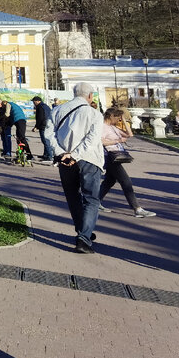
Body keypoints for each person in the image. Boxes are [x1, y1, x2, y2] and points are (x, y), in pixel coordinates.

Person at [54, 82, 105, 254]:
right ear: (90, 96)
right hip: (89, 160)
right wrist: (75, 155)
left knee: (73, 196)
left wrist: (62, 153)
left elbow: (48, 135)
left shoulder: (57, 110)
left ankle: (83, 231)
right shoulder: (94, 114)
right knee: (91, 199)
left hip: (64, 160)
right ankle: (83, 238)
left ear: (73, 94)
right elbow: (92, 140)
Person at [98, 107, 156, 218]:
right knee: (126, 182)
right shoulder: (102, 127)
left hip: (115, 156)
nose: (118, 120)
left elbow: (129, 134)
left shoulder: (112, 127)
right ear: (111, 116)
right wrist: (118, 141)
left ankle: (95, 202)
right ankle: (137, 209)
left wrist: (124, 120)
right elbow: (101, 142)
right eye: (118, 118)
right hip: (109, 157)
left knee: (109, 181)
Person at [32, 95, 57, 165]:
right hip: (48, 124)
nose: (33, 103)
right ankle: (46, 155)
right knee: (46, 141)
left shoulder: (40, 107)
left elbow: (40, 118)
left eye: (34, 102)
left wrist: (36, 126)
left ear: (38, 101)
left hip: (44, 125)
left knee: (45, 141)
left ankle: (50, 156)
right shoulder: (45, 106)